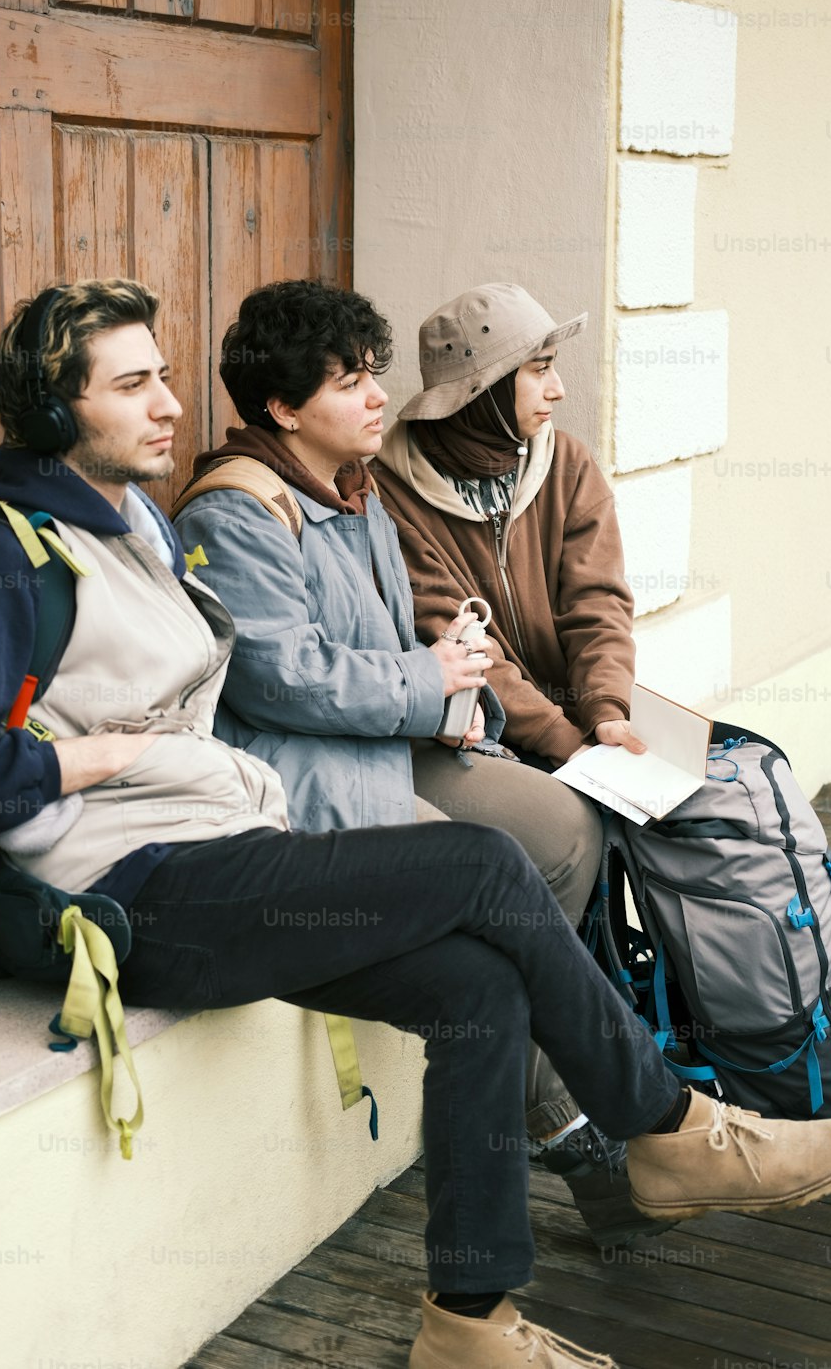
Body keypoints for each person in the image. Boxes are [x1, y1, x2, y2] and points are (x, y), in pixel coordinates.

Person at [0, 279, 831, 1369]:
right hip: (125, 893)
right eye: (132, 385)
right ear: (49, 412)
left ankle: (468, 1323)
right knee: (484, 864)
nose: (169, 403)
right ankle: (666, 1129)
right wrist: (115, 753)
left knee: (475, 988)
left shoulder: (129, 520)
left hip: (226, 854)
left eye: (164, 375)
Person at [171, 279, 638, 1246]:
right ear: (283, 409)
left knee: (564, 825)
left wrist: (456, 705)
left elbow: (398, 650)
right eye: (350, 382)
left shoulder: (357, 494)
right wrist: (427, 684)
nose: (379, 397)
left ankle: (528, 1073)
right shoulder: (236, 512)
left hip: (393, 742)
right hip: (305, 770)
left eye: (375, 374)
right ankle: (566, 1114)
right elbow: (282, 682)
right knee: (488, 911)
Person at [371, 282, 644, 769]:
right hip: (480, 736)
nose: (557, 388)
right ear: (488, 389)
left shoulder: (569, 466)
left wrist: (605, 708)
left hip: (585, 722)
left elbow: (597, 603)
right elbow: (459, 641)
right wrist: (563, 741)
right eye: (539, 369)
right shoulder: (389, 495)